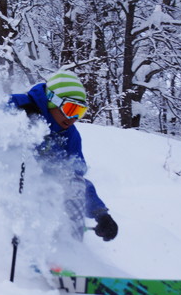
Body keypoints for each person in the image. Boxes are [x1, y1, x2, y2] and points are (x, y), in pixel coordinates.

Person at [9, 69, 118, 242]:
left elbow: (75, 179)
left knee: (71, 185)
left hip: (43, 191)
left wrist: (100, 213)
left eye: (80, 112)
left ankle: (69, 254)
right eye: (70, 108)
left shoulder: (70, 136)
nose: (74, 117)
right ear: (53, 100)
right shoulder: (18, 107)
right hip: (5, 182)